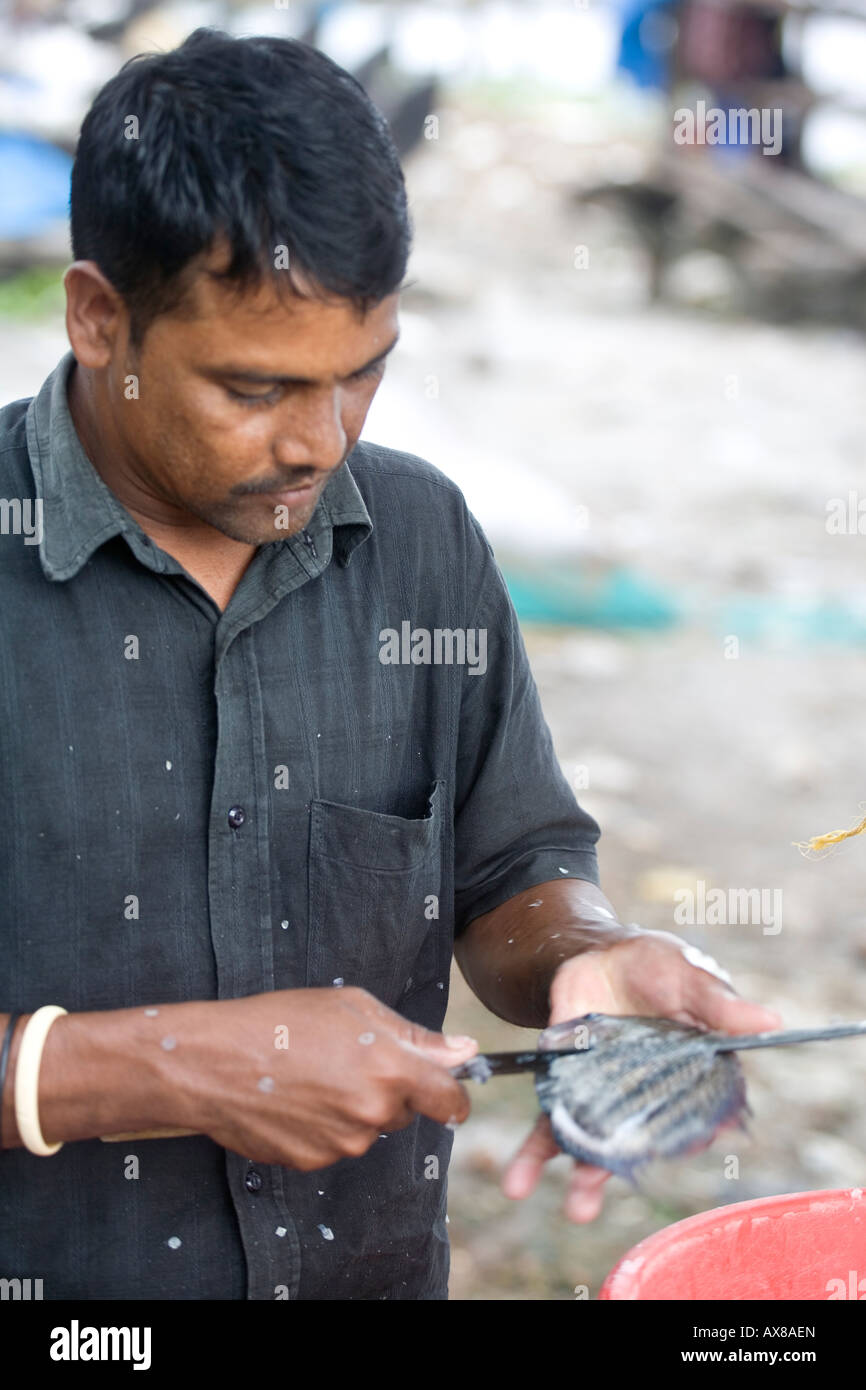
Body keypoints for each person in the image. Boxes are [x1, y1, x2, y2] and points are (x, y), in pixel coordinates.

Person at [0, 27, 780, 1301]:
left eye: (360, 377)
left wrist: (584, 952)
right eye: (253, 389)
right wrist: (160, 1066)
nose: (317, 441)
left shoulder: (417, 540)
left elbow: (508, 866)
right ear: (98, 318)